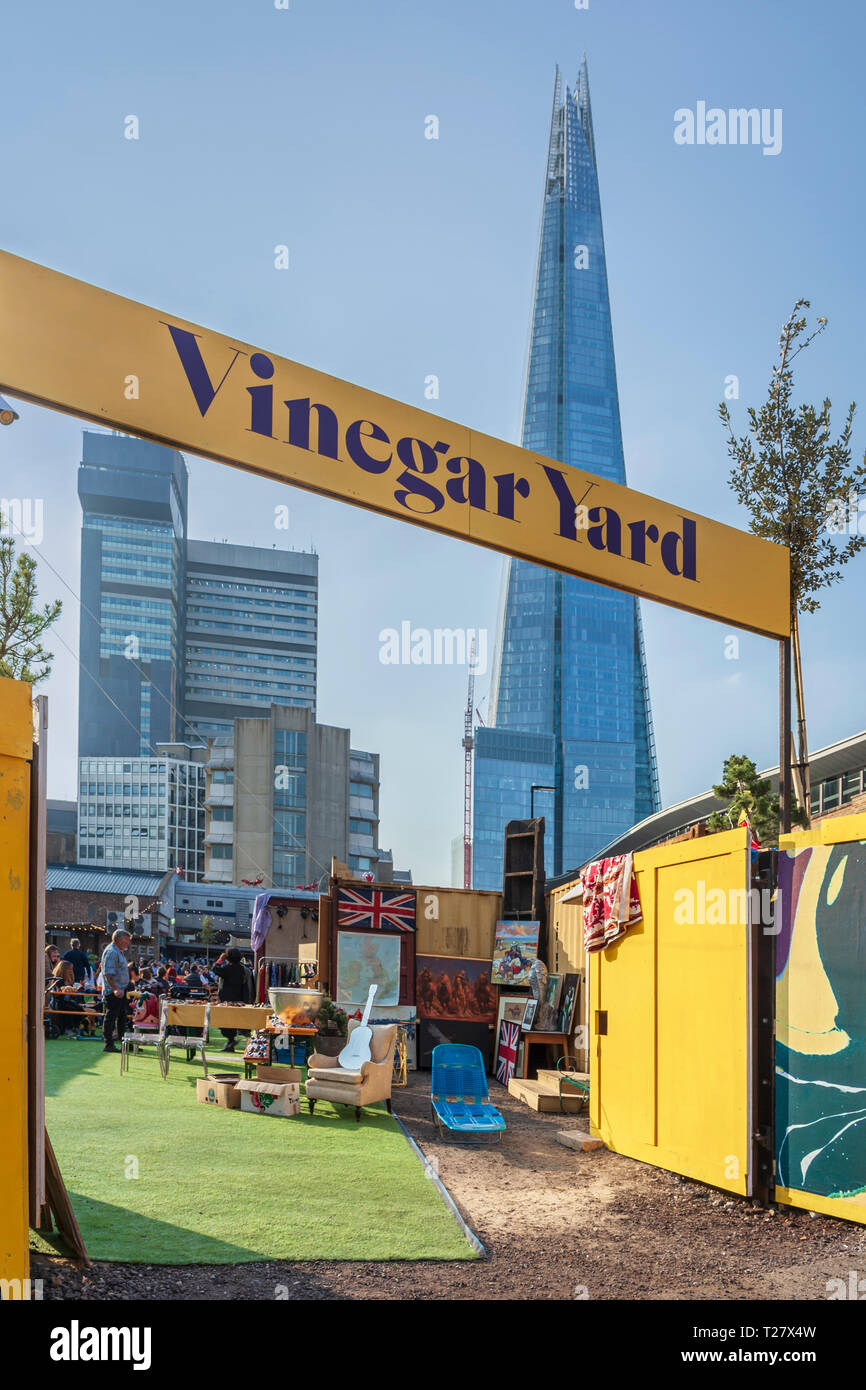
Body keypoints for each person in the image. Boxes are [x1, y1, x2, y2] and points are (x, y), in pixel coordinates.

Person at [100, 927, 131, 1053]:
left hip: (120, 989)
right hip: (114, 991)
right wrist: (115, 989)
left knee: (122, 1017)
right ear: (119, 940)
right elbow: (108, 974)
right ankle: (109, 1044)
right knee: (111, 1017)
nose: (128, 943)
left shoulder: (117, 950)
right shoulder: (112, 952)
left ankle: (122, 1041)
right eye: (126, 940)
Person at [212, 948, 248, 1052]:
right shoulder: (241, 968)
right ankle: (230, 1042)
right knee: (231, 1021)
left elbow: (215, 969)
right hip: (237, 998)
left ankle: (230, 1040)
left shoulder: (228, 968)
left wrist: (220, 959)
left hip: (226, 999)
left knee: (223, 1021)